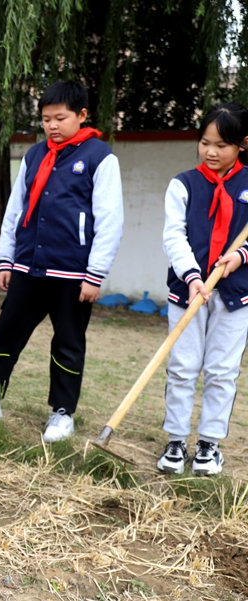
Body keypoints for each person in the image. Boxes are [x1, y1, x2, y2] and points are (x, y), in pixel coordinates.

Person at [0, 80, 123, 444]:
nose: (52, 126)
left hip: (73, 273)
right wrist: (5, 260)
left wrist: (95, 274)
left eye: (60, 118)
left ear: (82, 115)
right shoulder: (34, 155)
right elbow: (15, 210)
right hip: (28, 267)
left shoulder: (99, 156)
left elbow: (110, 220)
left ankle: (62, 413)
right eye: (46, 119)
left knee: (68, 344)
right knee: (5, 334)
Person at [157, 103, 248, 476]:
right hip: (187, 291)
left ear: (242, 144)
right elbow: (173, 236)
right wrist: (193, 276)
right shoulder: (183, 184)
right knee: (182, 367)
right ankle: (176, 440)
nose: (211, 152)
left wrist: (241, 255)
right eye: (205, 142)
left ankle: (209, 444)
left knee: (222, 371)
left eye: (221, 145)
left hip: (236, 295)